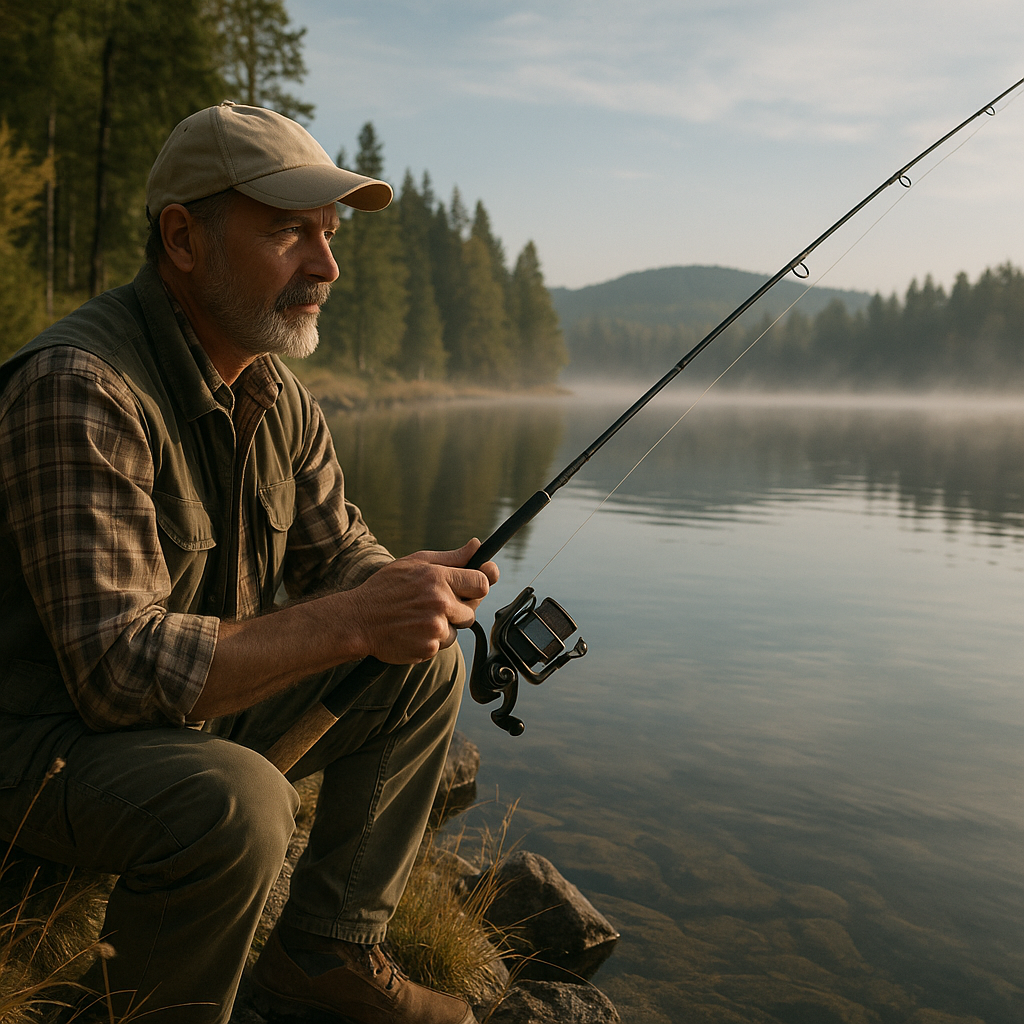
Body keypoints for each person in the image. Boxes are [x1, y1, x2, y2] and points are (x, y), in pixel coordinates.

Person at [0, 101, 498, 1024]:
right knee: (242, 800)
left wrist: (404, 588)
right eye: (287, 232)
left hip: (154, 731)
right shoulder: (79, 387)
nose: (326, 264)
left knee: (421, 664)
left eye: (328, 233)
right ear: (182, 240)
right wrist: (356, 617)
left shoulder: (274, 391)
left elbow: (340, 555)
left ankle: (323, 956)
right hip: (34, 746)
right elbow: (117, 672)